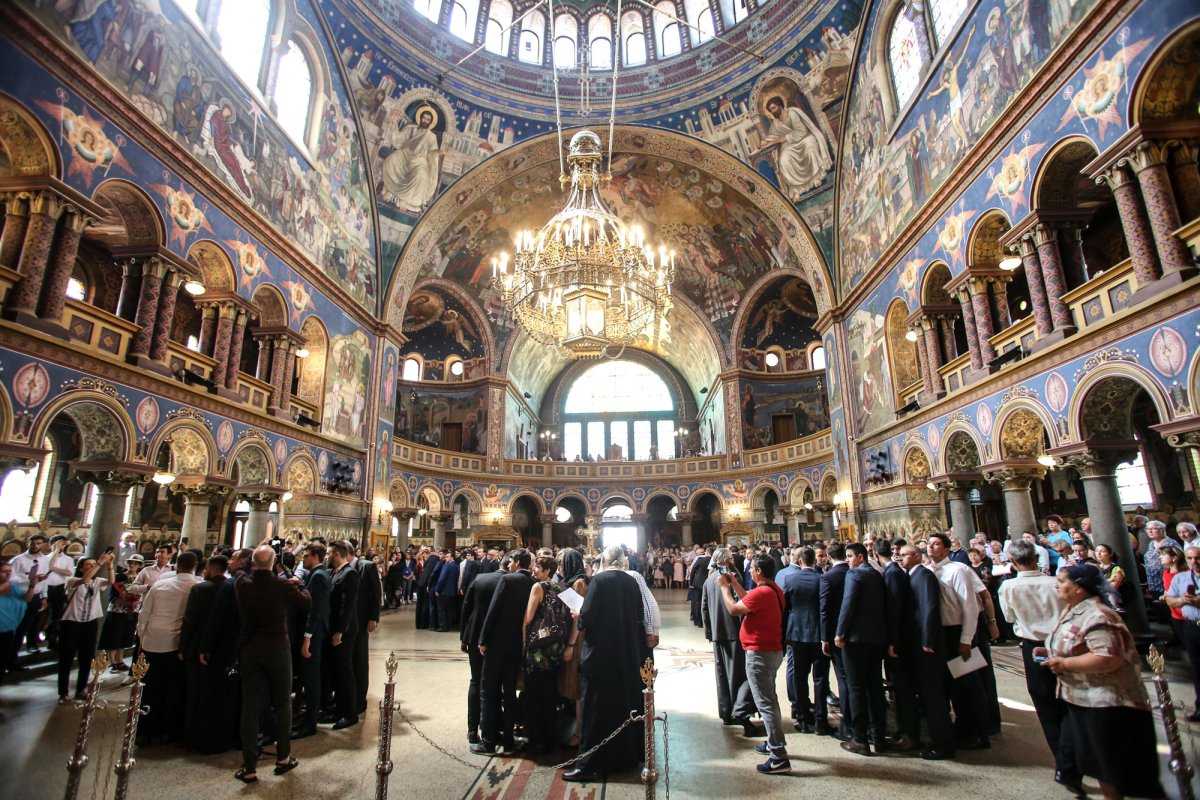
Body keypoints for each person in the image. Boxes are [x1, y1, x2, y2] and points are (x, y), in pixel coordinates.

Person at [1044, 565, 1164, 799]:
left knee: (1115, 768)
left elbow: (1108, 658)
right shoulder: (1073, 609)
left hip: (1109, 702)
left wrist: (1065, 664)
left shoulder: (1098, 615)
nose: (1056, 584)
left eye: (1061, 580)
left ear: (1078, 587)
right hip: (1084, 699)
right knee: (1101, 766)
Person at [998, 540, 1079, 795]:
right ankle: (1078, 753)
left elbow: (1009, 618)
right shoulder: (1056, 582)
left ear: (1012, 562)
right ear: (1036, 558)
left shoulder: (1009, 586)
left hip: (1032, 646)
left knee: (1045, 704)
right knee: (1071, 700)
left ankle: (1063, 761)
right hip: (1065, 644)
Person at [565, 545, 647, 782]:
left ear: (603, 561)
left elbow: (587, 617)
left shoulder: (599, 582)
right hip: (626, 654)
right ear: (621, 561)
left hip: (600, 655)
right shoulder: (631, 582)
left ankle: (590, 764)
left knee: (596, 710)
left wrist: (578, 616)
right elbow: (638, 614)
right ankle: (623, 758)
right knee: (621, 708)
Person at [232, 545, 312, 784]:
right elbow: (306, 602)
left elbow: (241, 569)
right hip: (277, 648)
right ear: (275, 562)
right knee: (283, 703)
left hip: (250, 649)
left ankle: (249, 766)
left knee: (250, 707)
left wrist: (255, 559)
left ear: (254, 563)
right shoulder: (282, 585)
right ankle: (283, 757)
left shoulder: (242, 584)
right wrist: (298, 582)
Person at [717, 554, 790, 775]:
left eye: (751, 570)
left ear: (758, 571)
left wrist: (724, 588)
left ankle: (778, 757)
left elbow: (734, 608)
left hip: (759, 654)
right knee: (770, 699)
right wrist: (733, 579)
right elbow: (748, 597)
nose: (749, 572)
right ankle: (772, 741)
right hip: (773, 650)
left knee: (766, 703)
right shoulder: (773, 590)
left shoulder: (762, 593)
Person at [926, 533, 990, 750]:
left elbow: (970, 607)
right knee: (952, 684)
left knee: (969, 684)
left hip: (959, 632)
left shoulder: (959, 570)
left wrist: (966, 639)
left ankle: (981, 732)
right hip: (941, 634)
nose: (931, 548)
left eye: (936, 544)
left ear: (946, 549)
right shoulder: (929, 571)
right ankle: (962, 726)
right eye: (929, 544)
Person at [897, 544, 956, 760]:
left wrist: (928, 639)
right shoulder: (915, 574)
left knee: (933, 696)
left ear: (916, 556)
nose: (900, 558)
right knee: (926, 693)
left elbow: (929, 608)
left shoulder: (923, 575)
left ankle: (943, 744)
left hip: (926, 644)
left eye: (904, 555)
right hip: (919, 642)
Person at [835, 543, 894, 755]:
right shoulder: (877, 575)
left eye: (850, 556)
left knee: (856, 688)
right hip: (876, 639)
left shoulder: (855, 575)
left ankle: (860, 739)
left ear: (860, 557)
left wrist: (840, 632)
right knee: (875, 688)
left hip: (856, 640)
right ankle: (879, 737)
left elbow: (848, 603)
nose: (848, 560)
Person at [137, 550, 201, 744]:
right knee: (174, 688)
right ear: (195, 566)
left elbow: (144, 614)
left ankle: (146, 730)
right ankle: (170, 730)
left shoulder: (160, 585)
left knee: (150, 687)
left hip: (153, 641)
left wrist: (142, 638)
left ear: (176, 565)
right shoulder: (197, 586)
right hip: (177, 645)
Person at [475, 549, 534, 756]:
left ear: (516, 562)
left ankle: (489, 742)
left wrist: (483, 639)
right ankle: (509, 741)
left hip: (498, 644)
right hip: (517, 645)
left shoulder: (508, 581)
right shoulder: (534, 584)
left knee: (489, 691)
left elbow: (494, 610)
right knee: (510, 693)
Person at [702, 547, 758, 734]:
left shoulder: (709, 580)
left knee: (722, 674)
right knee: (739, 674)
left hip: (718, 633)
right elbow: (741, 603)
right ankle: (739, 711)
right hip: (734, 631)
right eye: (731, 558)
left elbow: (704, 608)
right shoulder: (732, 577)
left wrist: (710, 632)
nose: (733, 560)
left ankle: (726, 713)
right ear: (726, 561)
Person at [779, 546, 831, 735]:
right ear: (814, 561)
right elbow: (826, 608)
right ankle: (820, 720)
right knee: (820, 678)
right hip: (818, 636)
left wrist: (784, 635)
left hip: (797, 635)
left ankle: (802, 718)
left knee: (800, 677)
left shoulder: (790, 579)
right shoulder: (822, 579)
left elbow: (785, 609)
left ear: (800, 560)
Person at [179, 554, 228, 752]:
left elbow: (189, 621)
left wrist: (183, 647)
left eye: (206, 567)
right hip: (223, 648)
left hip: (198, 646)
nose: (204, 570)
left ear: (213, 569)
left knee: (195, 692)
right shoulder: (232, 586)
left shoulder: (200, 588)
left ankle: (192, 734)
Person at [522, 555, 570, 754]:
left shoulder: (538, 587)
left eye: (538, 568)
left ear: (547, 570)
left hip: (538, 648)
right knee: (550, 692)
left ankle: (536, 740)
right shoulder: (563, 588)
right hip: (555, 647)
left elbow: (528, 618)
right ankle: (551, 738)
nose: (534, 570)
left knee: (534, 693)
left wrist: (523, 642)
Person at [462, 553, 509, 746]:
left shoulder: (480, 579)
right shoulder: (511, 583)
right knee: (495, 683)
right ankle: (494, 726)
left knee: (476, 681)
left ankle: (472, 730)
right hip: (499, 638)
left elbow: (466, 607)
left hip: (474, 635)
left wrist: (463, 638)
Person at [54, 552, 113, 704]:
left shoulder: (97, 581)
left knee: (87, 658)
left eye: (93, 565)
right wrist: (99, 562)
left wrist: (110, 565)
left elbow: (111, 581)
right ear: (80, 568)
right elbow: (84, 580)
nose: (92, 566)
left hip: (90, 623)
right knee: (66, 658)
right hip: (71, 623)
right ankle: (63, 692)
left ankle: (81, 689)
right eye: (88, 565)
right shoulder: (72, 580)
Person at [293, 543, 331, 739]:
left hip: (314, 634)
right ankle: (307, 717)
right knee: (309, 676)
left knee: (311, 677)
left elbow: (315, 610)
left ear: (315, 556)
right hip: (316, 632)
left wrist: (307, 636)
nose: (303, 559)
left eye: (306, 556)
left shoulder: (318, 576)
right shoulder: (319, 574)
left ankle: (310, 722)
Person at [322, 540, 360, 730]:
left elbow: (348, 605)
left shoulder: (350, 574)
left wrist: (340, 631)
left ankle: (350, 713)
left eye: (328, 553)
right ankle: (338, 709)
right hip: (334, 627)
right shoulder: (333, 572)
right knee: (336, 670)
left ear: (337, 554)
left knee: (344, 671)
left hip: (344, 631)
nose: (326, 556)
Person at [1164, 545, 1200, 723]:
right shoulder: (1180, 578)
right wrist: (1181, 600)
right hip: (1192, 627)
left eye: (1198, 558)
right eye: (1191, 558)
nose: (1195, 562)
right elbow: (1170, 599)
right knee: (1197, 668)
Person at [819, 541, 850, 739]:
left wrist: (824, 638)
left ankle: (849, 725)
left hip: (835, 635)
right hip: (857, 633)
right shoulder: (859, 573)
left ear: (829, 556)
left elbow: (825, 611)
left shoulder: (827, 578)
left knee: (844, 679)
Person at [352, 542, 382, 714]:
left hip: (361, 621)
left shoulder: (367, 567)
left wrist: (373, 617)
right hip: (348, 622)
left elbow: (376, 594)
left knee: (360, 659)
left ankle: (359, 698)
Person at [99, 554, 142, 671]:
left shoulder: (139, 578)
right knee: (113, 635)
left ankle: (120, 660)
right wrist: (127, 602)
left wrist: (135, 603)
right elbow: (112, 596)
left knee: (125, 636)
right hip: (117, 610)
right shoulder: (119, 577)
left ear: (139, 565)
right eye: (131, 563)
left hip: (132, 611)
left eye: (135, 563)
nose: (132, 565)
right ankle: (112, 662)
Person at [0, 558, 38, 688]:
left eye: (9, 571)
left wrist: (32, 586)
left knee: (2, 663)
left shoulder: (14, 587)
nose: (8, 574)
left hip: (8, 631)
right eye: (4, 571)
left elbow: (27, 599)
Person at [9, 535, 49, 659]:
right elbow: (9, 577)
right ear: (28, 543)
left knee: (27, 625)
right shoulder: (18, 560)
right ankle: (8, 657)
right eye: (33, 543)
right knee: (15, 627)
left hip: (35, 596)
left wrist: (43, 596)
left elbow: (44, 580)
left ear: (42, 545)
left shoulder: (44, 560)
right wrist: (28, 579)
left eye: (38, 543)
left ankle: (14, 658)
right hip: (19, 596)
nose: (35, 546)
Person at [42, 536, 75, 650]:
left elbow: (69, 572)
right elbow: (46, 569)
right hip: (45, 588)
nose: (59, 547)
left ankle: (52, 638)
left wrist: (53, 568)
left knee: (57, 614)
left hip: (60, 588)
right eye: (56, 544)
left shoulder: (68, 559)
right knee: (43, 614)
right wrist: (56, 551)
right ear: (50, 545)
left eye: (61, 545)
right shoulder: (44, 558)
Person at [1143, 520, 1182, 597]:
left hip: (1168, 580)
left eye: (1153, 528)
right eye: (1148, 529)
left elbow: (1179, 560)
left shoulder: (1171, 543)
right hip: (1153, 582)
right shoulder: (1151, 544)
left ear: (1162, 530)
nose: (1150, 531)